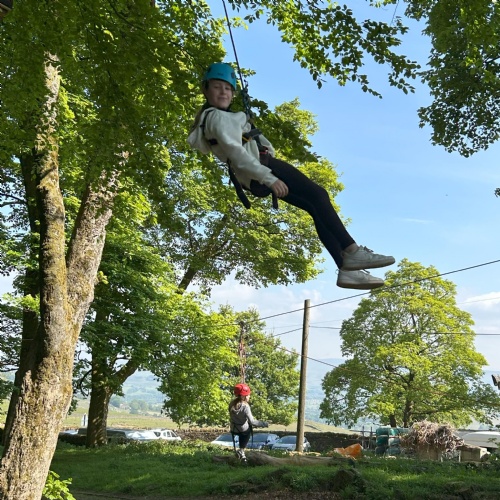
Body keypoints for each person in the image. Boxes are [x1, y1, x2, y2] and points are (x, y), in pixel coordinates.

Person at [188, 62, 395, 290]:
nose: (223, 92)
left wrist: (255, 136)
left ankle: (346, 270)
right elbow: (237, 154)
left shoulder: (220, 118)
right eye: (217, 87)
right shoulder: (216, 117)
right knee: (319, 195)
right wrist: (269, 177)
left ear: (233, 93)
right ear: (206, 90)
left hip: (255, 174)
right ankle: (352, 251)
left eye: (227, 88)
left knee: (314, 207)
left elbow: (249, 145)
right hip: (262, 169)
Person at [229, 383, 268, 463]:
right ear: (243, 396)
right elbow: (252, 422)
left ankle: (240, 452)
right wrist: (264, 424)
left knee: (243, 431)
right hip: (243, 430)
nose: (249, 396)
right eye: (248, 395)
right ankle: (241, 450)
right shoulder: (245, 406)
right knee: (246, 432)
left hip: (233, 428)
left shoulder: (231, 404)